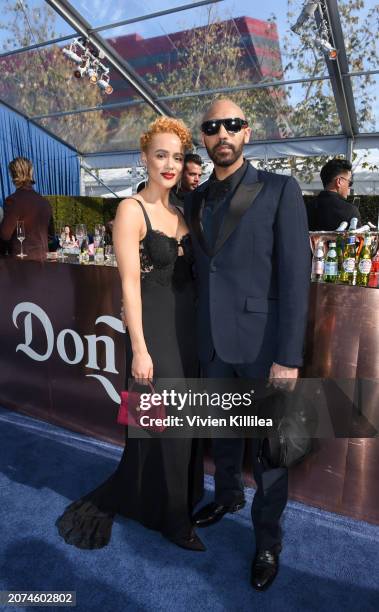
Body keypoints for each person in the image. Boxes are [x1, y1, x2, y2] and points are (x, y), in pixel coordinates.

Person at [56, 117, 204, 552]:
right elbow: (129, 286)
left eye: (177, 156)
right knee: (162, 423)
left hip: (188, 326)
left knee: (183, 417)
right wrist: (138, 348)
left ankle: (167, 497)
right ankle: (173, 520)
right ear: (144, 158)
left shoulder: (182, 210)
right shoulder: (130, 210)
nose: (170, 164)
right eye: (161, 155)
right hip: (152, 328)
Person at [185, 99, 310, 591]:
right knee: (223, 432)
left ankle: (267, 540)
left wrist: (289, 356)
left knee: (270, 452)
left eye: (232, 125)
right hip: (212, 342)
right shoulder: (194, 200)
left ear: (247, 133)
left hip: (263, 348)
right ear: (204, 136)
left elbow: (296, 279)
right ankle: (228, 495)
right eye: (213, 126)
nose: (223, 133)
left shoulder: (279, 189)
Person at [0, 157, 54, 260]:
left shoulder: (13, 201)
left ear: (13, 175)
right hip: (43, 263)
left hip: (21, 266)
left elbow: (4, 235)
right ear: (31, 172)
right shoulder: (45, 202)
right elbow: (51, 236)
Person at [306, 158, 361, 230]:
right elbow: (358, 239)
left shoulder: (306, 207)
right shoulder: (351, 210)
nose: (349, 187)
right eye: (349, 182)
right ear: (339, 182)